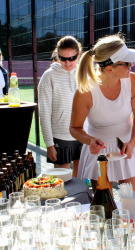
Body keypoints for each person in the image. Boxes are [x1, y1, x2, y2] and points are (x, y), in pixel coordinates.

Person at [70, 34, 135, 193]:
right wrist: (90, 140)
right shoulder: (85, 91)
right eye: (127, 63)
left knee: (131, 199)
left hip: (128, 145)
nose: (132, 65)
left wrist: (132, 143)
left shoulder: (133, 81)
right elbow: (75, 127)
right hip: (99, 153)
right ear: (109, 69)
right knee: (104, 204)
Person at [38, 36, 83, 177]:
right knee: (61, 183)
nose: (68, 62)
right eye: (63, 58)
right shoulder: (48, 77)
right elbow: (44, 113)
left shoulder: (85, 74)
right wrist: (50, 144)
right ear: (57, 56)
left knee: (81, 181)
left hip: (84, 135)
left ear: (79, 54)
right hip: (60, 137)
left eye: (72, 58)